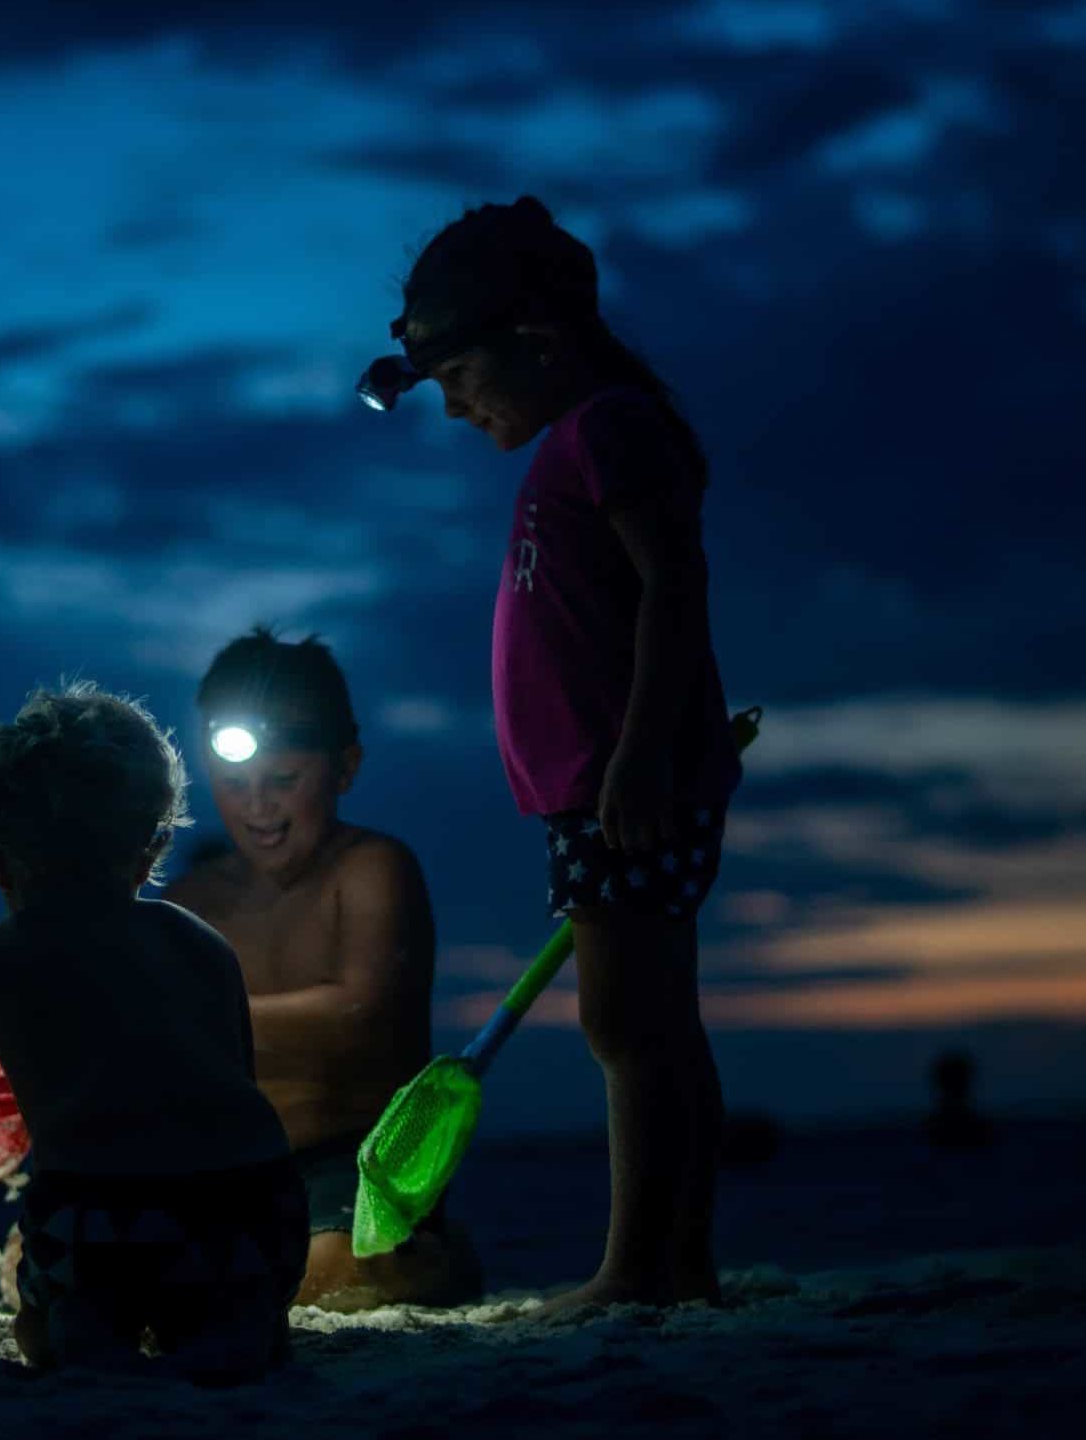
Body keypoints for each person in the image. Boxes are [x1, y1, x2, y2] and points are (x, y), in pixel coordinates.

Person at [357, 197, 742, 1311]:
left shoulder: (611, 426)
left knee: (631, 1024)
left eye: (458, 377)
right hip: (600, 792)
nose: (453, 407)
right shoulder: (577, 442)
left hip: (629, 788)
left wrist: (635, 757)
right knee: (647, 1020)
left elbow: (676, 589)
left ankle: (640, 1272)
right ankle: (679, 1266)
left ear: (534, 340)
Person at [0, 682, 305, 1381]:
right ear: (152, 849)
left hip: (107, 1224)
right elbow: (239, 1102)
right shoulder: (200, 944)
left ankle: (84, 1329)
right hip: (256, 1216)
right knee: (218, 1281)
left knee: (41, 1323)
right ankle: (238, 1319)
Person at [165, 627, 481, 1310]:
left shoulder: (371, 869)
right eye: (234, 783)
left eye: (283, 781)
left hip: (353, 1162)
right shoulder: (188, 901)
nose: (259, 807)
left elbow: (360, 1014)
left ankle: (428, 1255)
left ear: (345, 767)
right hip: (224, 1169)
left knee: (330, 1275)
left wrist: (180, 1019)